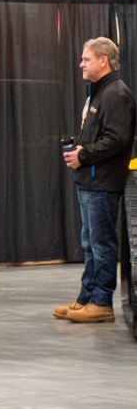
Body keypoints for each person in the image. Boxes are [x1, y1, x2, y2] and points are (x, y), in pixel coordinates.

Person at [57, 36, 134, 324]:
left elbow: (117, 139)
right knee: (91, 244)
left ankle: (101, 302)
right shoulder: (100, 93)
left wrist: (83, 155)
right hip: (89, 181)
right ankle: (86, 298)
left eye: (86, 59)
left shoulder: (116, 94)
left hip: (102, 182)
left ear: (103, 61)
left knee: (101, 245)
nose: (81, 64)